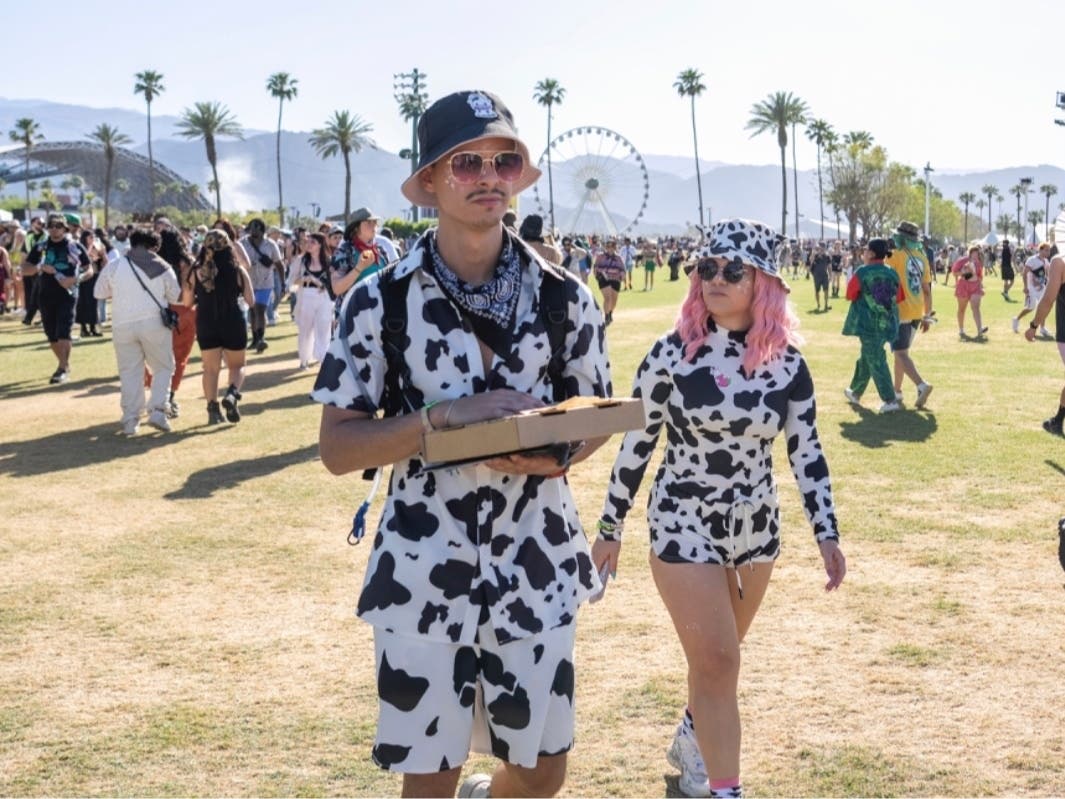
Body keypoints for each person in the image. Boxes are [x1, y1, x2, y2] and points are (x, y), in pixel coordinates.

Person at [312, 89, 612, 799]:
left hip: (535, 562)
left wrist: (555, 452)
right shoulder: (378, 300)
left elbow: (596, 412)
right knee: (430, 773)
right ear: (430, 183)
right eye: (466, 161)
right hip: (422, 568)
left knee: (541, 770)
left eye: (504, 160)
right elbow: (337, 448)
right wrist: (442, 418)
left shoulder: (564, 296)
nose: (487, 175)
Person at [592, 218, 845, 799]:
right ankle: (723, 789)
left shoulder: (788, 365)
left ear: (764, 283)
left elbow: (806, 451)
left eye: (733, 270)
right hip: (682, 522)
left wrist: (826, 533)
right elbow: (638, 440)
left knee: (718, 663)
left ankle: (692, 735)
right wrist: (611, 524)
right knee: (720, 660)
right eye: (707, 268)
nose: (717, 279)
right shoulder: (671, 353)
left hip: (756, 531)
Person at [93, 229, 181, 435]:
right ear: (155, 247)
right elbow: (176, 297)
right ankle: (158, 411)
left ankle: (131, 420)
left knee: (130, 372)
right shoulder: (162, 267)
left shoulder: (115, 265)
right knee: (163, 367)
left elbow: (99, 292)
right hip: (154, 324)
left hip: (122, 324)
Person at [184, 230, 254, 424]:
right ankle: (232, 394)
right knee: (238, 365)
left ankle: (212, 410)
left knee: (210, 369)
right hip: (233, 320)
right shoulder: (238, 270)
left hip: (206, 322)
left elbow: (187, 302)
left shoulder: (195, 271)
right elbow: (251, 300)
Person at [24, 214, 92, 384]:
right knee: (51, 334)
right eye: (51, 226)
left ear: (65, 228)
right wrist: (39, 266)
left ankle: (61, 369)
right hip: (45, 294)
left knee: (64, 331)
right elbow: (25, 269)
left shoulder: (74, 246)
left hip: (67, 294)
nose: (55, 229)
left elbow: (89, 269)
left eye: (58, 226)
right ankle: (64, 364)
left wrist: (76, 279)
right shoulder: (41, 247)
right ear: (47, 228)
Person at [842, 238, 904, 412]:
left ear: (871, 253)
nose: (863, 253)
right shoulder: (892, 273)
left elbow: (850, 294)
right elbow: (899, 297)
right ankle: (855, 391)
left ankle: (890, 400)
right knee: (868, 357)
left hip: (868, 325)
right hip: (888, 324)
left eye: (866, 250)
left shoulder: (862, 272)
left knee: (876, 359)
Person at [885, 221, 934, 408]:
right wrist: (927, 315)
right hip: (916, 311)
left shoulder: (895, 256)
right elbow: (927, 290)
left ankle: (921, 385)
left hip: (900, 310)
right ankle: (897, 392)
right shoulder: (922, 257)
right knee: (901, 353)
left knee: (900, 353)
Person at [149, 229, 198, 417]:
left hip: (161, 312)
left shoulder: (154, 264)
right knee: (179, 359)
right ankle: (170, 396)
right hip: (185, 311)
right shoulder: (188, 263)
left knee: (158, 356)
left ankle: (158, 394)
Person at [1024, 250, 1065, 435]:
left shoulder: (1059, 262)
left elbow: (1048, 299)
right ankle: (1058, 420)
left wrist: (1034, 325)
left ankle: (1057, 420)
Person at [288, 232, 333, 370]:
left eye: (313, 242)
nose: (309, 245)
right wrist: (305, 280)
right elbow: (292, 280)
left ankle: (323, 358)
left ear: (320, 244)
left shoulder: (329, 260)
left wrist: (321, 284)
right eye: (308, 242)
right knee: (305, 330)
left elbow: (333, 281)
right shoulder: (301, 260)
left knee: (324, 327)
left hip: (324, 296)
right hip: (306, 294)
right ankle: (304, 360)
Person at [239, 218, 283, 354]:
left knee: (259, 309)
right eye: (251, 229)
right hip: (249, 282)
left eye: (256, 229)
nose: (253, 231)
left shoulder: (271, 245)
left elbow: (279, 264)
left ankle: (261, 338)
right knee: (252, 310)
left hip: (266, 282)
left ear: (262, 230)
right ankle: (255, 339)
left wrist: (282, 281)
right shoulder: (243, 244)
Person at [330, 208, 389, 301]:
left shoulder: (381, 251)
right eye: (368, 222)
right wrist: (359, 268)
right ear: (356, 228)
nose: (374, 225)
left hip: (379, 312)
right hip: (353, 312)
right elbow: (337, 289)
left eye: (375, 222)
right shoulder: (344, 251)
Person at [1013, 243, 1052, 337]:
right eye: (1046, 250)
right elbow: (1024, 273)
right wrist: (1025, 287)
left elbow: (1048, 274)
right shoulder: (1032, 260)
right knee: (1031, 307)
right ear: (1040, 250)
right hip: (1031, 287)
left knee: (1043, 307)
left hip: (1042, 288)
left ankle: (1042, 328)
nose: (1048, 252)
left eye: (1049, 250)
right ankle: (1016, 319)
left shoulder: (1046, 261)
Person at [951, 245, 988, 340]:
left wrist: (980, 286)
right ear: (970, 253)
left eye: (978, 253)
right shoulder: (962, 260)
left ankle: (980, 329)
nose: (976, 255)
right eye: (974, 252)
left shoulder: (978, 263)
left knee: (976, 307)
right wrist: (965, 273)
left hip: (975, 286)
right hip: (963, 286)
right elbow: (954, 272)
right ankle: (961, 330)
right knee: (962, 309)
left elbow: (980, 276)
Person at [20, 215, 46, 326]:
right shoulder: (29, 236)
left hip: (41, 268)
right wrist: (22, 267)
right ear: (32, 223)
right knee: (34, 293)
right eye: (39, 223)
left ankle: (30, 317)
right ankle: (31, 317)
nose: (41, 225)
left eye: (42, 224)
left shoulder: (45, 235)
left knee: (38, 293)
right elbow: (25, 252)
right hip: (30, 268)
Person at [593, 239, 625, 325]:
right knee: (607, 298)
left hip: (615, 280)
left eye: (612, 246)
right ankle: (606, 316)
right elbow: (595, 267)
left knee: (614, 300)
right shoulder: (600, 256)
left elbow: (622, 269)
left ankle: (610, 313)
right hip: (603, 279)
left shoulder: (618, 258)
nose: (609, 248)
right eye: (608, 246)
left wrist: (622, 276)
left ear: (615, 247)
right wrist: (597, 275)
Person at [810, 243, 831, 311]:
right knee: (817, 291)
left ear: (824, 248)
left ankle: (826, 305)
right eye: (820, 248)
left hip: (825, 275)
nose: (821, 249)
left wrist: (830, 275)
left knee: (826, 290)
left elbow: (829, 266)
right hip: (817, 276)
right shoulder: (815, 256)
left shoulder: (827, 256)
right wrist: (813, 254)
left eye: (822, 247)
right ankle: (818, 304)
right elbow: (811, 261)